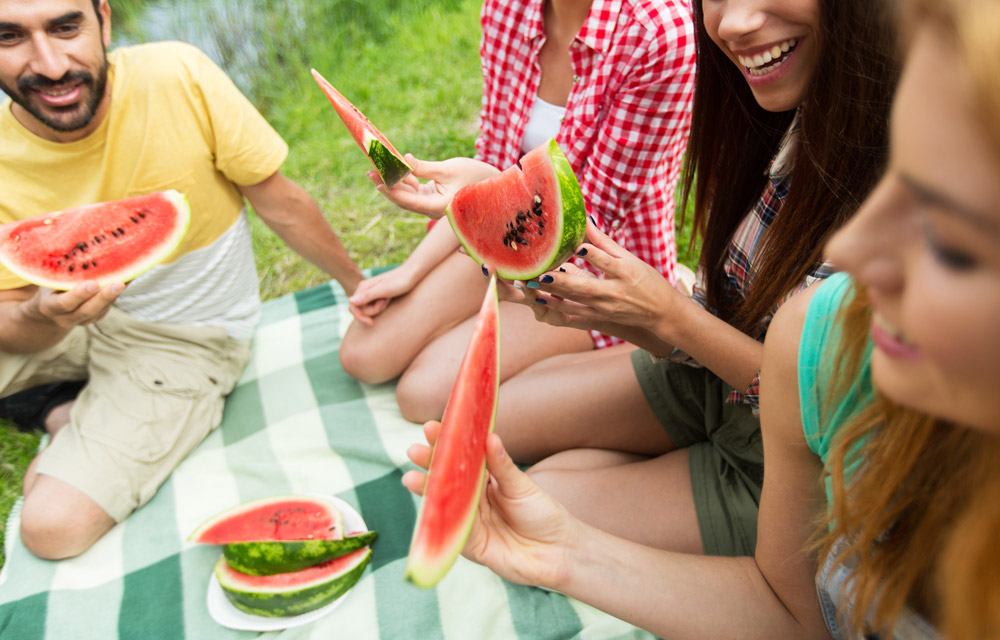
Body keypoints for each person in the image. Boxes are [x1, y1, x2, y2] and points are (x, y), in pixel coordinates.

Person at [404, 0, 1000, 635]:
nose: (734, 22)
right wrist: (636, 314)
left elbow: (810, 390)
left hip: (774, 429)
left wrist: (669, 317)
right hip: (720, 378)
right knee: (502, 444)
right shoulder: (785, 120)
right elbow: (795, 611)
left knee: (551, 486)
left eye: (945, 235)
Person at [0, 0, 363, 560]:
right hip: (61, 326)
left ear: (105, 19)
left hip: (185, 338)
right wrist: (39, 316)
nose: (49, 65)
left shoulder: (178, 75)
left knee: (50, 528)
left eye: (66, 26)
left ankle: (70, 412)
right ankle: (58, 409)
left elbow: (282, 203)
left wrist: (355, 285)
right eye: (9, 36)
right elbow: (12, 321)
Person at [338, 0, 696, 424]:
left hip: (593, 270)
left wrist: (475, 186)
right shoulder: (509, 6)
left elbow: (593, 215)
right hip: (503, 232)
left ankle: (665, 304)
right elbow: (493, 156)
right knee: (364, 353)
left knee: (420, 394)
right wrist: (410, 272)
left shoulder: (660, 31)